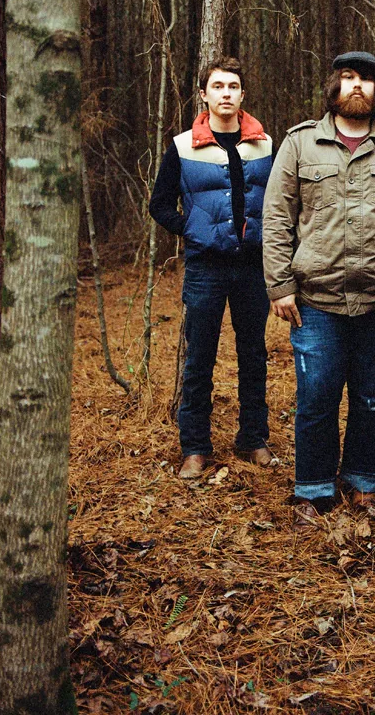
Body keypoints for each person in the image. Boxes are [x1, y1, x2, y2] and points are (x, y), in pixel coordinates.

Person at [262, 52, 375, 527]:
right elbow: (276, 215)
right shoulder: (301, 143)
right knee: (316, 395)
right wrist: (279, 285)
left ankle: (365, 481)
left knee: (372, 397)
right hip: (316, 299)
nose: (357, 87)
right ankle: (313, 486)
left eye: (366, 79)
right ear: (333, 86)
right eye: (348, 78)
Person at [149, 57, 275, 479]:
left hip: (252, 265)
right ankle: (195, 448)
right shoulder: (184, 146)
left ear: (242, 95)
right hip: (205, 265)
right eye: (217, 86)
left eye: (233, 86)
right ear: (204, 94)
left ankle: (253, 439)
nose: (225, 93)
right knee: (200, 356)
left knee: (253, 354)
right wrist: (192, 229)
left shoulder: (266, 145)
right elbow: (159, 204)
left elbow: (279, 202)